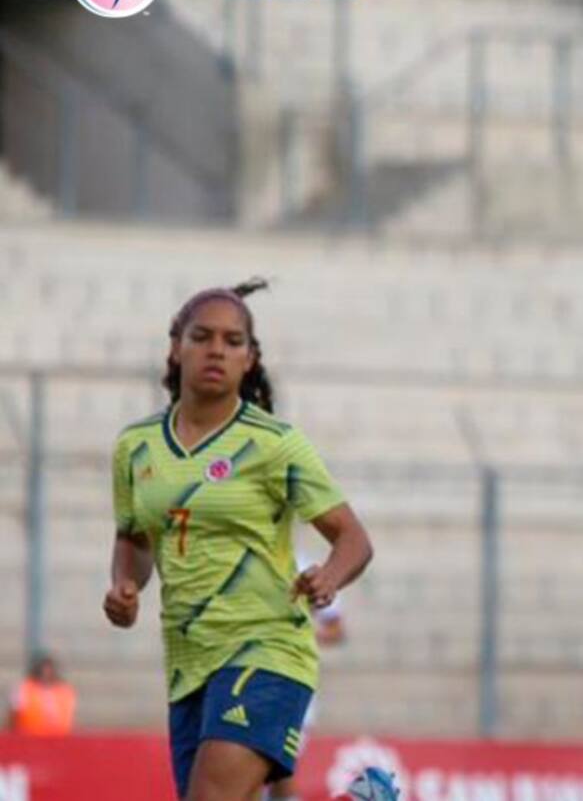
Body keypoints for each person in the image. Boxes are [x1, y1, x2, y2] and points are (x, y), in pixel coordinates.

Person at [103, 279, 375, 801]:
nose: (216, 350)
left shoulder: (274, 444)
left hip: (267, 648)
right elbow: (133, 538)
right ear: (175, 347)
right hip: (189, 664)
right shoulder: (136, 447)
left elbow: (353, 539)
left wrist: (329, 577)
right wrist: (124, 585)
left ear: (249, 359)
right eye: (202, 336)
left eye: (232, 341)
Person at [267, 554, 348, 801]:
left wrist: (300, 634)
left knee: (278, 765)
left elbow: (336, 628)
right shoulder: (246, 562)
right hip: (247, 678)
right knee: (259, 768)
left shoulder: (303, 568)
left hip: (291, 681)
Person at [7, 651, 76, 736]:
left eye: (49, 668)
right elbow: (12, 716)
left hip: (59, 738)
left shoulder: (65, 690)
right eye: (43, 667)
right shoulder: (22, 688)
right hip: (30, 737)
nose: (46, 671)